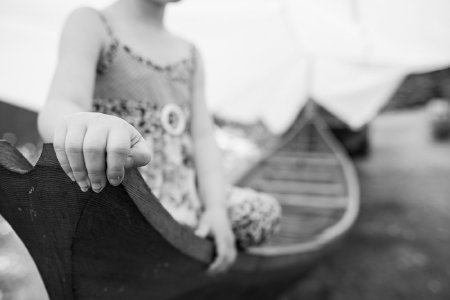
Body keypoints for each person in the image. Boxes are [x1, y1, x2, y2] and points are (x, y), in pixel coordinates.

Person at [38, 0, 280, 274]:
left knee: (262, 213)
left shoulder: (189, 54)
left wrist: (216, 209)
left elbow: (202, 138)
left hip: (185, 200)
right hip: (123, 196)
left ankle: (193, 244)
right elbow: (60, 104)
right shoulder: (92, 24)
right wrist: (82, 125)